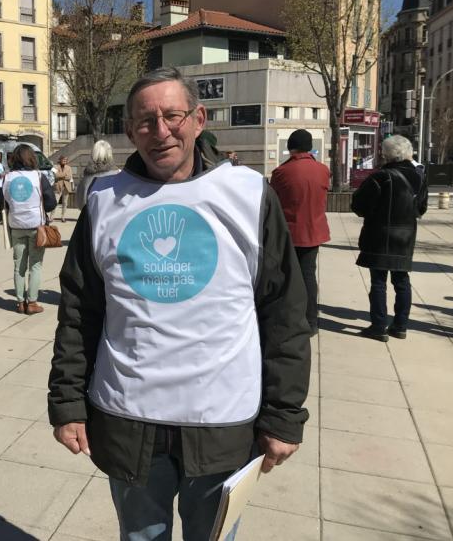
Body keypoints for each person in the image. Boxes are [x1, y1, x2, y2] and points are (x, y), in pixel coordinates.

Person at [48, 67, 311, 541]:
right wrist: (67, 403)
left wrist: (284, 415)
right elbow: (79, 311)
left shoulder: (248, 194)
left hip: (223, 424)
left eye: (173, 116)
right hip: (128, 422)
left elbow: (285, 312)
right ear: (129, 130)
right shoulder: (105, 200)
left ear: (199, 118)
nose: (160, 131)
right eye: (146, 121)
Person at [352, 134, 428, 341]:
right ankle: (401, 325)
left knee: (378, 282)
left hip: (379, 235)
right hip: (405, 236)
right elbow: (422, 208)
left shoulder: (381, 176)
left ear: (387, 155)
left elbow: (358, 205)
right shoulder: (420, 176)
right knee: (402, 280)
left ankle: (378, 326)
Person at [270, 129, 331, 335]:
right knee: (308, 276)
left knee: (287, 276)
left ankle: (289, 317)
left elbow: (274, 200)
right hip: (314, 230)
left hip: (290, 232)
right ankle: (311, 320)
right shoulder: (323, 170)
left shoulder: (281, 172)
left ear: (290, 146)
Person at [3, 144, 56, 315]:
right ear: (32, 158)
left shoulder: (8, 178)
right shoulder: (38, 176)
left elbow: (3, 201)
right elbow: (51, 202)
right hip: (36, 226)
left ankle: (19, 302)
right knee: (35, 265)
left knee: (18, 266)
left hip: (16, 225)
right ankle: (32, 302)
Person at [75, 140, 119, 211]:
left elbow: (80, 203)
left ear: (92, 153)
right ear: (110, 153)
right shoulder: (117, 175)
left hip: (90, 219)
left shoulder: (85, 178)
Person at [52, 155, 74, 222]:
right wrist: (64, 175)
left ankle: (63, 217)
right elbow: (55, 175)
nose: (64, 161)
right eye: (63, 160)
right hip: (58, 187)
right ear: (60, 160)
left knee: (65, 203)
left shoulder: (69, 168)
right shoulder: (55, 167)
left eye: (66, 160)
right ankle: (51, 217)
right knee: (55, 202)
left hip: (66, 187)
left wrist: (60, 175)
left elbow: (69, 177)